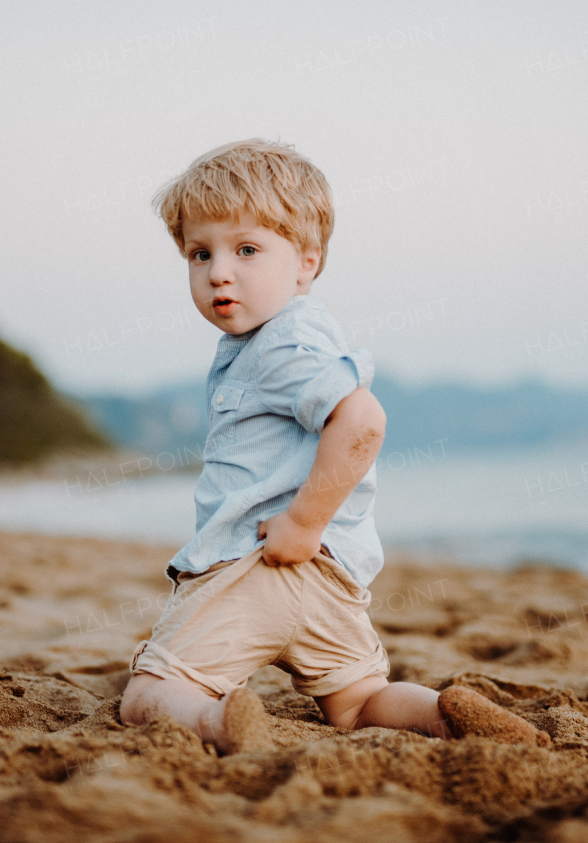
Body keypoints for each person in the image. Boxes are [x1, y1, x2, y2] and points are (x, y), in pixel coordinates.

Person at [119, 140, 550, 754]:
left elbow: (363, 420)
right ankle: (440, 713)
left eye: (246, 249)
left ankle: (217, 724)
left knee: (147, 695)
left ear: (306, 262)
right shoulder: (281, 340)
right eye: (200, 253)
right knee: (358, 702)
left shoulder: (284, 342)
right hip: (330, 580)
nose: (219, 270)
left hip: (255, 564)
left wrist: (302, 521)